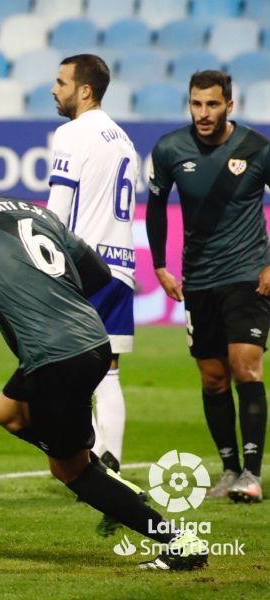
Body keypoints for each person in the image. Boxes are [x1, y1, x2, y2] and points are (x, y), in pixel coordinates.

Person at [0, 131, 209, 571]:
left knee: (69, 472)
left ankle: (177, 542)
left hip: (56, 357)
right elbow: (97, 275)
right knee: (7, 411)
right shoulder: (30, 210)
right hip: (89, 341)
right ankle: (90, 458)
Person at [146, 70, 269, 504]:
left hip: (247, 276)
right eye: (196, 104)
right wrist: (159, 265)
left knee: (245, 368)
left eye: (212, 104)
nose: (203, 113)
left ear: (229, 106)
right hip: (198, 279)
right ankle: (230, 469)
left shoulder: (258, 148)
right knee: (213, 379)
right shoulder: (169, 149)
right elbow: (156, 209)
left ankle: (251, 476)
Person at [47, 54, 138, 535]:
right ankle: (113, 467)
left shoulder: (72, 134)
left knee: (69, 372)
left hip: (82, 269)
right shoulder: (123, 138)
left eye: (61, 82)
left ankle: (91, 469)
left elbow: (58, 212)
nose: (53, 89)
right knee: (110, 372)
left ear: (85, 90)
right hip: (120, 267)